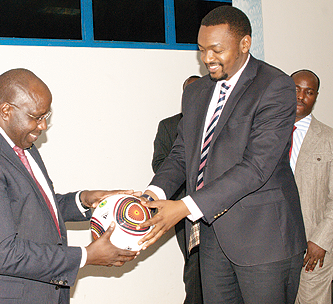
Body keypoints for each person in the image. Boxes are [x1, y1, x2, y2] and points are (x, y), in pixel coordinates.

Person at [138, 6, 307, 303]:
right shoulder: (196, 92)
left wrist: (184, 207)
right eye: (202, 50)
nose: (207, 59)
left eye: (216, 50)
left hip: (265, 240)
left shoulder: (275, 86)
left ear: (244, 43)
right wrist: (154, 192)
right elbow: (181, 153)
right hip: (214, 238)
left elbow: (255, 167)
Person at [0, 68, 139, 304]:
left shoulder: (19, 143)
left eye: (47, 116)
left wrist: (84, 200)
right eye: (37, 116)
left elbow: (32, 208)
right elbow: (2, 253)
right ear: (6, 110)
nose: (43, 126)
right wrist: (85, 255)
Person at [152, 75, 202, 304]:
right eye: (188, 93)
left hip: (213, 207)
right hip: (180, 208)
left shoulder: (218, 124)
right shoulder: (169, 125)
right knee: (194, 264)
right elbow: (160, 163)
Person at [289, 70, 333, 304]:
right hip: (273, 248)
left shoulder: (328, 139)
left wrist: (321, 240)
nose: (301, 96)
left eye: (309, 92)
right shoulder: (267, 133)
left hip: (312, 247)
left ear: (315, 97)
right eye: (296, 89)